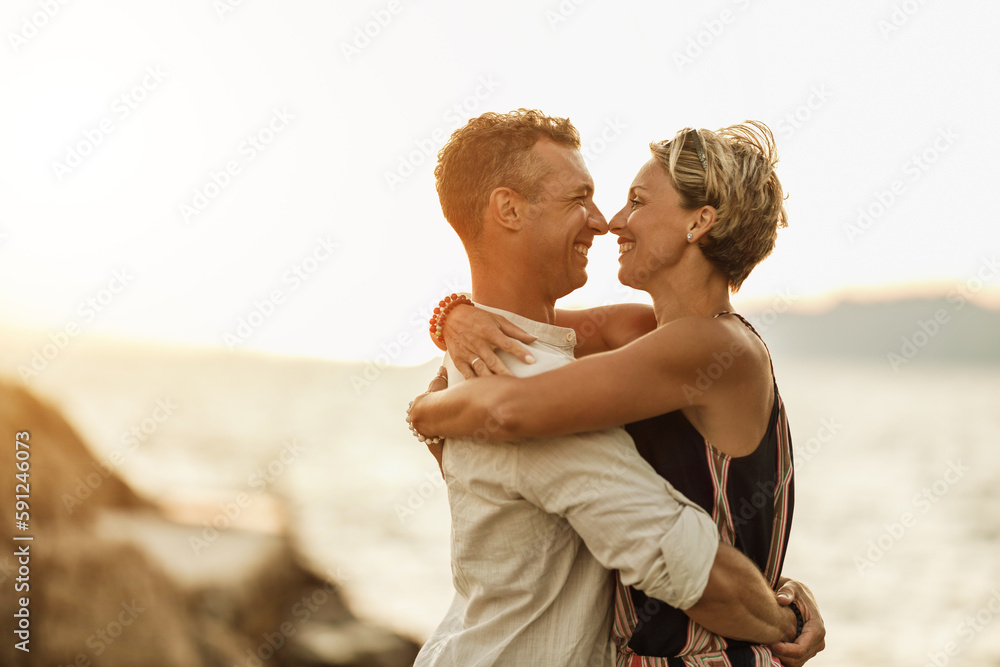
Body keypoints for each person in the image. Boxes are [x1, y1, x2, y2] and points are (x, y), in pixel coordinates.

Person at [407, 109, 823, 666]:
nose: (613, 221)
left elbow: (512, 405)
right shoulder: (641, 333)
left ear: (698, 223)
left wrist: (423, 412)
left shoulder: (708, 348)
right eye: (592, 199)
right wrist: (453, 316)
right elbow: (542, 335)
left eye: (638, 202)